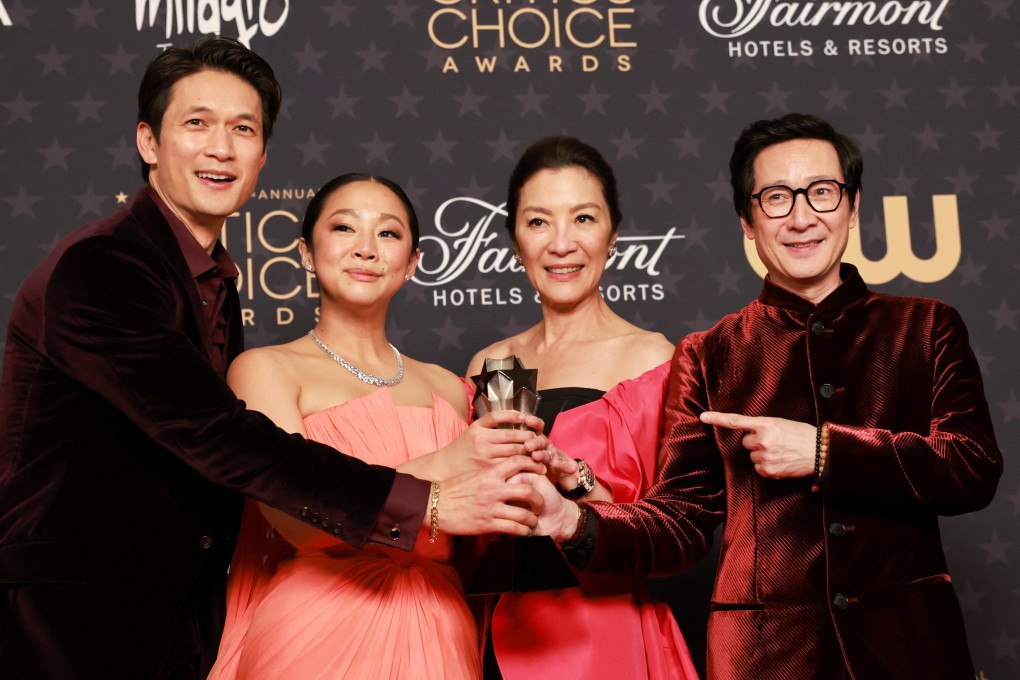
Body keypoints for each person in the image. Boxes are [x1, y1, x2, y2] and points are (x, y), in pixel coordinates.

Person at [0, 38, 547, 680]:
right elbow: (216, 435)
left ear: (262, 156)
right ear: (148, 142)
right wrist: (422, 500)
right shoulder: (105, 267)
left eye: (243, 129)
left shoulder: (211, 283)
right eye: (196, 123)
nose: (221, 148)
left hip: (179, 611)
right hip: (79, 612)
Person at [534, 113, 1003, 678]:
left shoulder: (925, 328)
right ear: (748, 222)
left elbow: (971, 466)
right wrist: (572, 521)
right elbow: (679, 522)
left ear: (853, 208)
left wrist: (826, 451)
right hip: (766, 660)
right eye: (777, 197)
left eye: (822, 193)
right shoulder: (709, 354)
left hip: (912, 650)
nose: (802, 217)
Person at [209, 173, 519, 679]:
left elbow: (473, 538)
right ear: (307, 253)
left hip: (440, 624)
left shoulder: (447, 385)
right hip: (315, 628)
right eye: (344, 228)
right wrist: (448, 466)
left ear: (413, 262)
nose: (367, 250)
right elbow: (297, 522)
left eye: (389, 233)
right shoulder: (265, 370)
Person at [468, 136, 699, 680]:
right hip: (499, 632)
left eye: (584, 219)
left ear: (614, 236)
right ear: (514, 239)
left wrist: (571, 478)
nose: (561, 243)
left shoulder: (652, 358)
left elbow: (672, 526)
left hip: (605, 631)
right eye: (539, 221)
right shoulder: (496, 362)